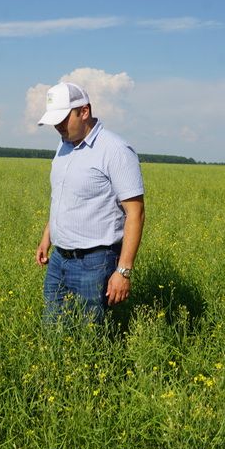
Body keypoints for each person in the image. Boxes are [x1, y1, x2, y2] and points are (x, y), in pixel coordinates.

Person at [34, 82, 145, 325]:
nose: (57, 127)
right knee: (53, 330)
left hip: (95, 263)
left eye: (63, 120)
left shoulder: (115, 150)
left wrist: (123, 271)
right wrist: (47, 237)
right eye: (54, 122)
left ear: (84, 111)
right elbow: (62, 198)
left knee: (90, 336)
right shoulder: (63, 146)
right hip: (58, 260)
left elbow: (135, 213)